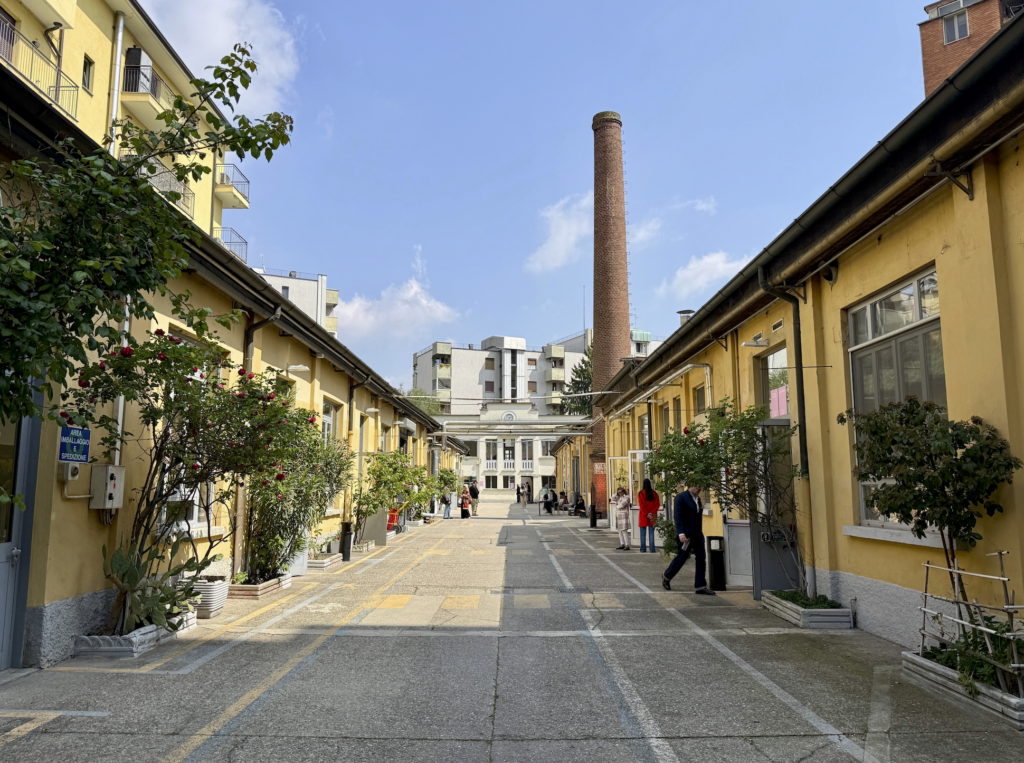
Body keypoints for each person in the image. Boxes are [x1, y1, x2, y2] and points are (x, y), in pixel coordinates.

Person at [662, 485, 715, 595]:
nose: (700, 489)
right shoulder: (681, 497)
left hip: (697, 534)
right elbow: (677, 516)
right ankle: (667, 576)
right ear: (691, 486)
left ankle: (701, 586)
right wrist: (681, 533)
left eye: (701, 488)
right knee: (682, 557)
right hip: (686, 535)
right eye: (698, 487)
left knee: (701, 558)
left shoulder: (698, 499)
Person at [637, 479, 660, 553]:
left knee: (642, 534)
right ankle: (652, 549)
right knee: (651, 533)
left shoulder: (641, 493)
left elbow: (641, 505)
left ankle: (643, 549)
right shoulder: (655, 493)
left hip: (643, 515)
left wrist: (647, 514)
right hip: (653, 515)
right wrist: (652, 513)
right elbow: (657, 505)